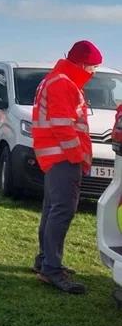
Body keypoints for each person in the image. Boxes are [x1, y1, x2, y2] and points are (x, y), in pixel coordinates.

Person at [32, 40, 102, 295]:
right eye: (93, 67)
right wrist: (78, 156)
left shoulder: (54, 79)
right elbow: (63, 126)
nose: (93, 73)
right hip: (64, 158)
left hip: (54, 157)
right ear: (82, 64)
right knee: (61, 212)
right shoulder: (63, 83)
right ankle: (51, 269)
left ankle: (44, 261)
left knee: (51, 210)